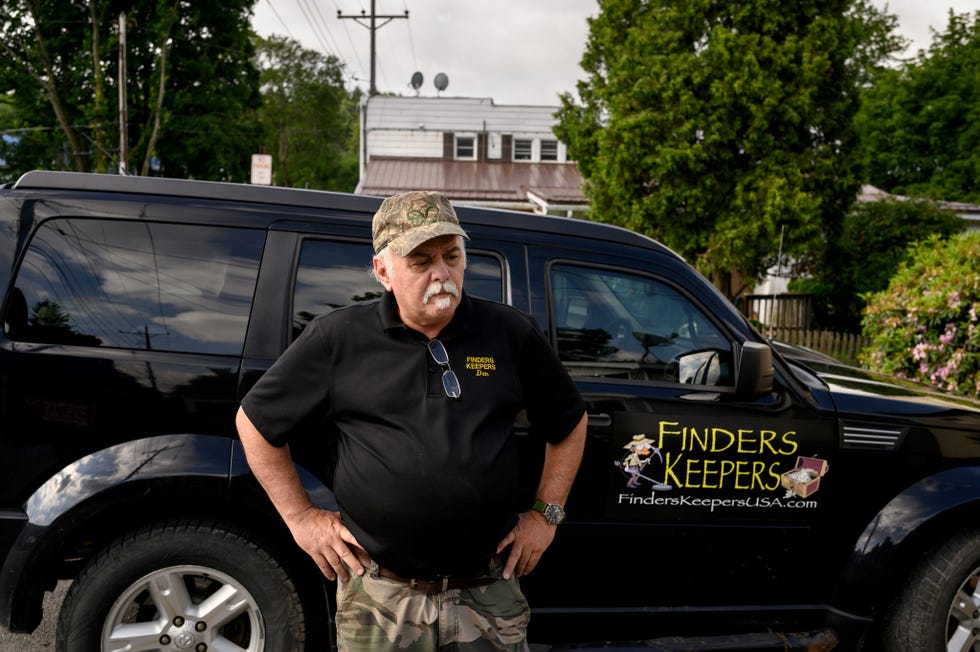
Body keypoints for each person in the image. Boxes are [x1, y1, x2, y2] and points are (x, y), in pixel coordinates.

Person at [236, 190, 588, 651]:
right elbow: (255, 422)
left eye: (452, 256)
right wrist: (301, 518)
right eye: (421, 261)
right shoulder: (338, 339)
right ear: (384, 271)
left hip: (488, 592)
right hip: (382, 599)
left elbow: (569, 423)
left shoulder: (510, 333)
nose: (442, 273)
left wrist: (547, 515)